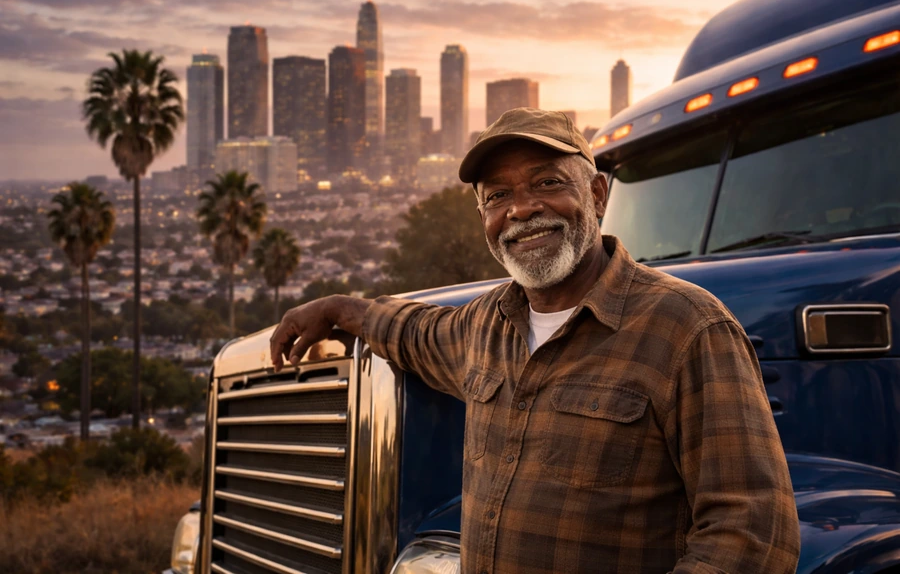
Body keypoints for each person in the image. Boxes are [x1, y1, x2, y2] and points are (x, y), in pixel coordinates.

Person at [270, 108, 801, 574]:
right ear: (484, 218)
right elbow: (412, 332)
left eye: (547, 183)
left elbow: (752, 534)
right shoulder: (483, 326)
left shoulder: (687, 328)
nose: (521, 209)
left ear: (596, 194)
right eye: (498, 195)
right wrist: (339, 309)